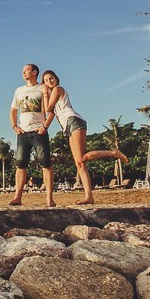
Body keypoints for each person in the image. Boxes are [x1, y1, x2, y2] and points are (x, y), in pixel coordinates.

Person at [41, 69, 127, 205]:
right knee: (80, 163)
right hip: (68, 125)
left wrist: (45, 92)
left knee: (81, 159)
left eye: (51, 78)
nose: (49, 81)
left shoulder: (58, 89)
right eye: (46, 80)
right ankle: (89, 197)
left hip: (73, 121)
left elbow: (47, 108)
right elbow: (48, 111)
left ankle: (113, 153)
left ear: (56, 79)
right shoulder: (54, 93)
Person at [9, 63, 54, 207]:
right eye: (23, 70)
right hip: (23, 132)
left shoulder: (43, 88)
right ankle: (17, 197)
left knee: (45, 163)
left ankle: (49, 198)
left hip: (38, 131)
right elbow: (13, 110)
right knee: (20, 164)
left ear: (34, 72)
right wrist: (15, 126)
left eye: (27, 70)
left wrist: (45, 126)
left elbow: (51, 110)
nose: (24, 72)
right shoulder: (19, 90)